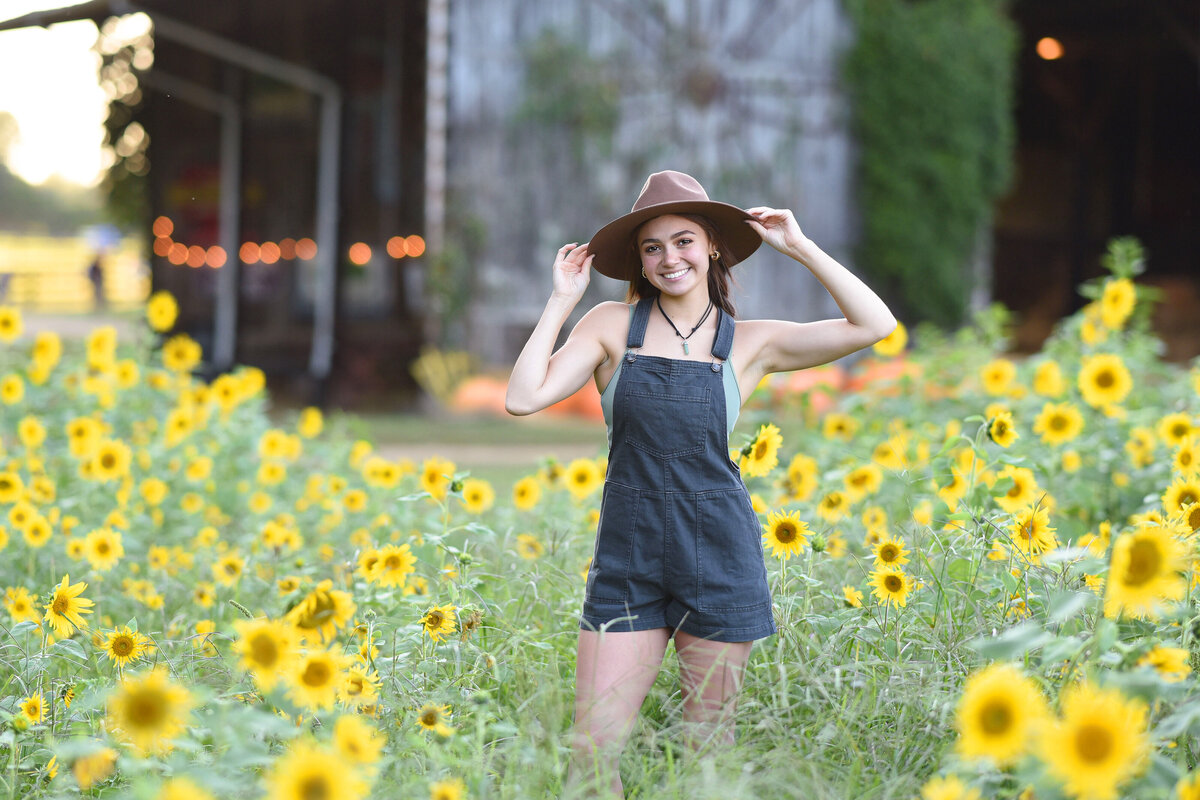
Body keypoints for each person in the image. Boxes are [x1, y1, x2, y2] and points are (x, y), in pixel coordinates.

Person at [504, 170, 897, 798]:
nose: (669, 259)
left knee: (706, 747)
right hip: (628, 558)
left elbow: (874, 325)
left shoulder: (752, 343)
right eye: (652, 247)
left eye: (683, 241)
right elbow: (523, 398)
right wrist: (561, 300)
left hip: (719, 554)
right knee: (591, 749)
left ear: (712, 245)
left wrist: (800, 247)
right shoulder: (609, 324)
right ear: (639, 260)